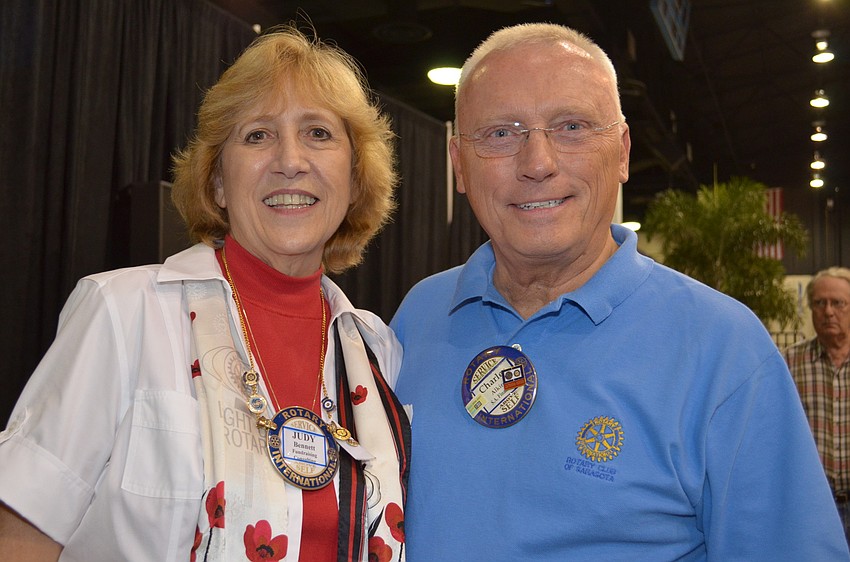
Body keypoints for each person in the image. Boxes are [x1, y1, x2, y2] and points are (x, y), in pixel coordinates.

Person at [390, 22, 849, 560]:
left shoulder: (724, 349)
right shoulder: (416, 318)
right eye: (500, 134)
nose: (537, 163)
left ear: (623, 151)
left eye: (572, 127)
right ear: (459, 165)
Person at [0, 26, 409, 562]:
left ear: (355, 180)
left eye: (318, 133)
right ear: (217, 181)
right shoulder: (124, 313)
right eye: (257, 135)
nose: (290, 160)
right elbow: (20, 537)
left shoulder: (376, 351)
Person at [784, 267, 850, 539]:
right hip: (813, 506)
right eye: (820, 303)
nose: (828, 312)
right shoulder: (788, 363)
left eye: (838, 303)